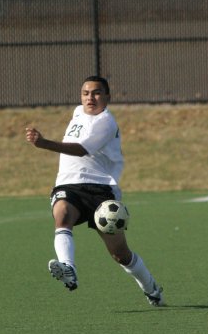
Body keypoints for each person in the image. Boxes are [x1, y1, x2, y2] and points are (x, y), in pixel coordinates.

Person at [25, 75, 165, 307]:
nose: (91, 97)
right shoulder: (78, 112)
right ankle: (68, 267)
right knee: (62, 215)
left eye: (97, 93)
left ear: (107, 97)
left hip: (100, 190)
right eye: (86, 93)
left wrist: (44, 143)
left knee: (120, 254)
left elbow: (81, 150)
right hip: (69, 184)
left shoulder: (106, 122)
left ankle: (151, 288)